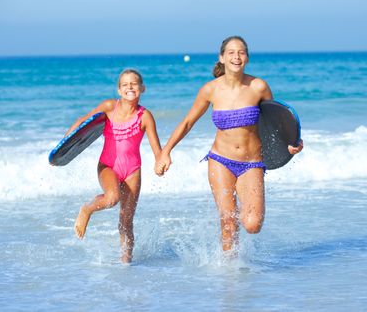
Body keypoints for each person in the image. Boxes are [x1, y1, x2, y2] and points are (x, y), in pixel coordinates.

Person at [156, 36, 303, 255]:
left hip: (251, 163)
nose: (236, 57)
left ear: (247, 58)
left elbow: (275, 122)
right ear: (222, 57)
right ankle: (231, 276)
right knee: (228, 221)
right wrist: (165, 152)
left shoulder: (258, 87)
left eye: (241, 52)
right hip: (220, 161)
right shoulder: (210, 90)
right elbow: (187, 122)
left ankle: (238, 258)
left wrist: (291, 144)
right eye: (231, 52)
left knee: (252, 224)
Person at [66, 69, 162, 263]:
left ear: (142, 88)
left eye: (134, 84)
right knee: (112, 198)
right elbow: (82, 122)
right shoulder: (110, 107)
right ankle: (87, 209)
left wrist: (161, 160)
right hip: (108, 166)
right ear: (119, 90)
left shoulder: (145, 116)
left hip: (132, 171)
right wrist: (64, 146)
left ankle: (126, 262)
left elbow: (156, 149)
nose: (130, 87)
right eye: (125, 84)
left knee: (126, 221)